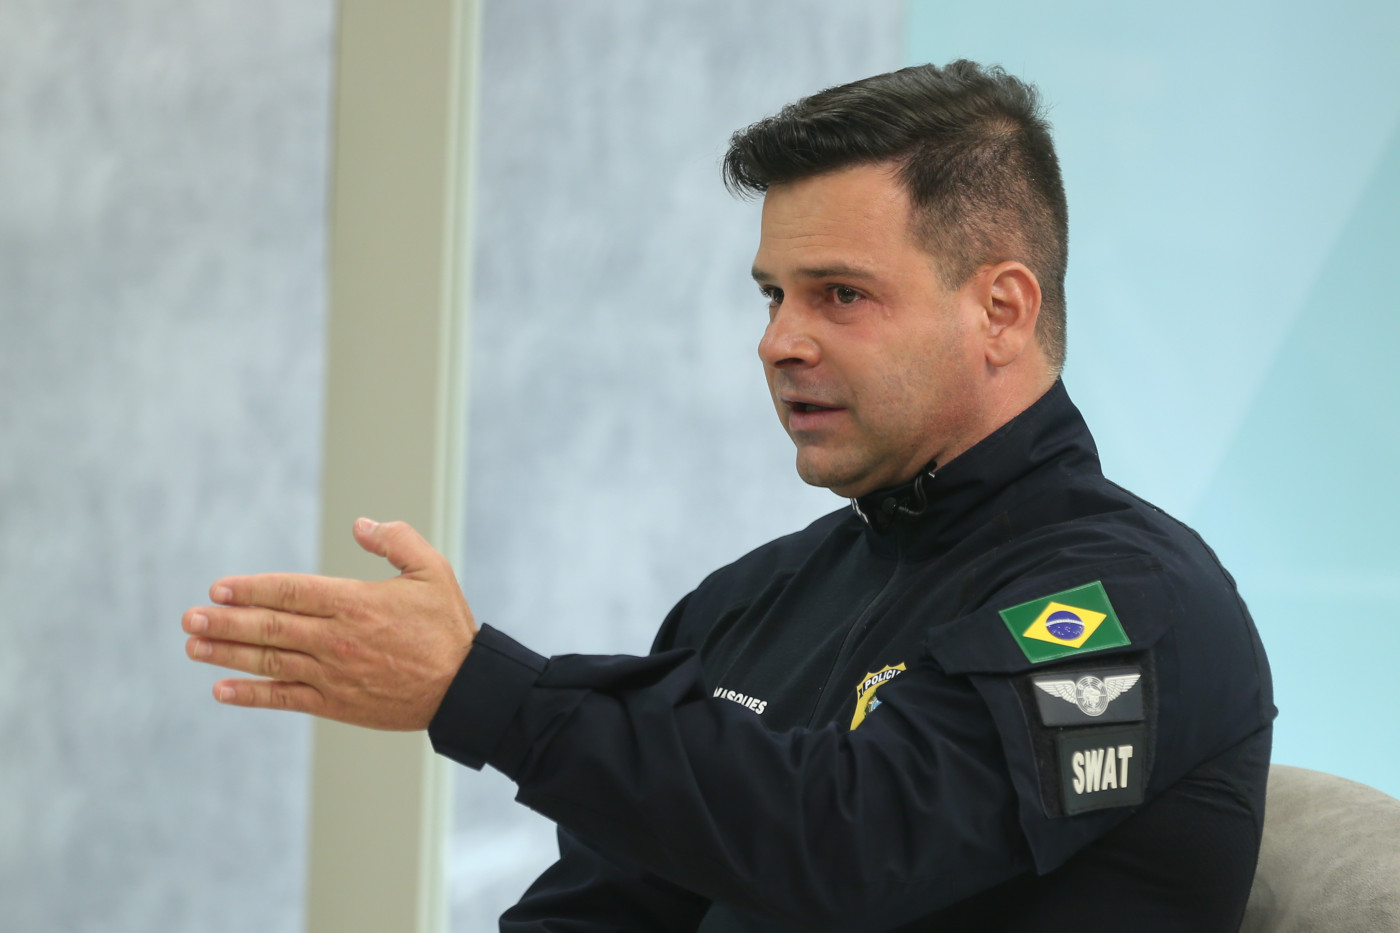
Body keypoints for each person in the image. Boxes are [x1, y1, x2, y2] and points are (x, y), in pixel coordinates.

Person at [182, 61, 1275, 931]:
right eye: (771, 295)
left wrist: (484, 689)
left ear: (1000, 311)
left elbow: (853, 846)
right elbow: (600, 912)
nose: (778, 341)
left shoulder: (1131, 604)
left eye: (839, 294)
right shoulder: (750, 600)